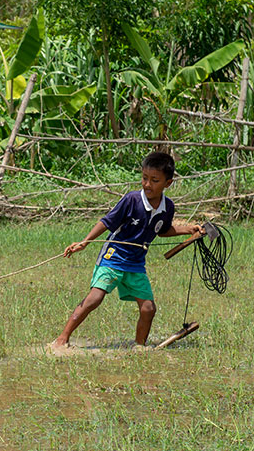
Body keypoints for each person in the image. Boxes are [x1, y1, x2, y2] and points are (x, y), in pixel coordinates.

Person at [50, 151, 202, 352]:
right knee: (95, 298)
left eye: (154, 180)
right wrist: (85, 242)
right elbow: (107, 221)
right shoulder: (131, 200)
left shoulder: (168, 207)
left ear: (168, 183)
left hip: (136, 264)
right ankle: (61, 340)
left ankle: (139, 347)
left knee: (148, 308)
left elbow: (162, 230)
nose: (147, 184)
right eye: (144, 178)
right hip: (113, 256)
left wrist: (188, 229)